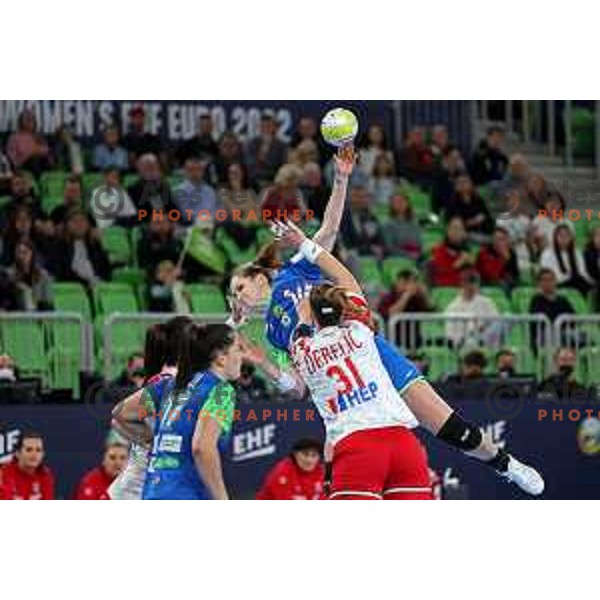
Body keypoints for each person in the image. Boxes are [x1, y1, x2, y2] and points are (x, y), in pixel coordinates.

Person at [276, 219, 544, 498]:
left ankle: (506, 465)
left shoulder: (313, 330)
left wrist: (339, 186)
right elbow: (345, 278)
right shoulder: (352, 321)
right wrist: (303, 243)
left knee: (453, 428)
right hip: (362, 408)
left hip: (378, 363)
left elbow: (331, 235)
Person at [141, 323, 243, 500]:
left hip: (152, 491)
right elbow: (202, 448)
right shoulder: (221, 391)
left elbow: (121, 414)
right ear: (221, 358)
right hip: (186, 494)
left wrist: (156, 442)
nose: (243, 356)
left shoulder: (171, 384)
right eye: (238, 349)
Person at [109, 318, 192, 500]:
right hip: (137, 487)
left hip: (157, 482)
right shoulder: (166, 380)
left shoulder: (183, 375)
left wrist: (235, 321)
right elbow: (117, 416)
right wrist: (149, 440)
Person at [444, 269, 500, 348]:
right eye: (468, 283)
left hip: (487, 339)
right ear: (462, 284)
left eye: (474, 283)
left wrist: (483, 328)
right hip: (464, 342)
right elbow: (450, 335)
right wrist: (471, 333)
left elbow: (496, 322)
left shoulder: (487, 302)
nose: (472, 286)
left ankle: (482, 342)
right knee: (470, 340)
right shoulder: (452, 307)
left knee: (506, 317)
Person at [54, 210, 111, 286]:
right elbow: (63, 273)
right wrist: (86, 283)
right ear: (66, 225)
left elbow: (105, 270)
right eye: (74, 221)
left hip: (98, 285)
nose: (79, 225)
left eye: (82, 221)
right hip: (75, 288)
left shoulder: (95, 246)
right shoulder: (60, 247)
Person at [378, 269, 431, 347]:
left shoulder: (416, 298)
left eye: (414, 282)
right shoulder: (388, 297)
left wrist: (424, 294)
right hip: (392, 342)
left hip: (414, 342)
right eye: (410, 282)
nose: (412, 285)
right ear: (401, 281)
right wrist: (406, 295)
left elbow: (430, 312)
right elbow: (391, 313)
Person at [256, 438, 324, 500]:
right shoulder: (282, 473)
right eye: (305, 454)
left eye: (314, 455)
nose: (309, 460)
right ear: (295, 454)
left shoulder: (322, 472)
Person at [539, 224, 593, 295]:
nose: (564, 239)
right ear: (555, 238)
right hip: (558, 283)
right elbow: (547, 274)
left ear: (571, 238)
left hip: (576, 281)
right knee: (578, 283)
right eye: (561, 236)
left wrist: (592, 282)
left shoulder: (577, 252)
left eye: (567, 236)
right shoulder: (547, 253)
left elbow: (583, 272)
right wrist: (569, 278)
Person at [0, 431, 55, 500]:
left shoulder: (45, 475)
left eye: (38, 450)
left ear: (43, 455)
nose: (34, 454)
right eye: (29, 450)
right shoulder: (3, 474)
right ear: (17, 453)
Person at [6, 239, 53, 311]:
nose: (21, 256)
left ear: (32, 254)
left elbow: (49, 305)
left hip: (39, 316)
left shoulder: (43, 275)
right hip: (17, 316)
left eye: (25, 253)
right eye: (19, 252)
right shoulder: (9, 275)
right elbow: (7, 303)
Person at [173, 156, 219, 225]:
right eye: (192, 170)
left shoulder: (210, 190)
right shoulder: (179, 191)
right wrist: (205, 218)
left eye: (198, 169)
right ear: (186, 171)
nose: (195, 172)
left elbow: (216, 209)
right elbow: (186, 215)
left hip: (212, 223)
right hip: (192, 225)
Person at [341, 184, 384, 258]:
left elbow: (377, 238)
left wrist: (377, 247)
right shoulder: (342, 216)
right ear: (349, 198)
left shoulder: (371, 217)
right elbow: (345, 240)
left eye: (362, 197)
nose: (359, 200)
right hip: (350, 253)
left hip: (369, 253)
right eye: (356, 196)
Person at [245, 113, 288, 186]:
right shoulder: (252, 144)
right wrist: (262, 152)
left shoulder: (281, 146)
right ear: (260, 128)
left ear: (274, 128)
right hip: (255, 180)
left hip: (274, 180)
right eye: (263, 126)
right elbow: (250, 164)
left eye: (268, 126)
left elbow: (283, 166)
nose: (266, 129)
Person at [430, 217, 475, 286]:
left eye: (459, 229)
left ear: (464, 233)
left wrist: (472, 265)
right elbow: (439, 278)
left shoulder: (467, 252)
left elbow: (475, 280)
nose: (455, 232)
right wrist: (456, 266)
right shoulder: (439, 249)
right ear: (448, 231)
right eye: (453, 228)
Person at [6, 109, 50, 176]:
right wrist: (29, 153)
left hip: (41, 163)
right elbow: (11, 158)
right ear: (20, 121)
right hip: (24, 165)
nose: (29, 119)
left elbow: (46, 150)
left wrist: (36, 150)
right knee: (34, 160)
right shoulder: (14, 137)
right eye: (26, 117)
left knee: (43, 159)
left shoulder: (38, 136)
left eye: (32, 118)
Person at [381, 193, 423, 259]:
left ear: (408, 203)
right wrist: (408, 255)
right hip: (396, 260)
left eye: (402, 201)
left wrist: (418, 254)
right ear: (391, 205)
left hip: (416, 258)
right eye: (396, 202)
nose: (400, 204)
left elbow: (420, 245)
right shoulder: (387, 224)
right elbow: (389, 249)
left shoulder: (415, 223)